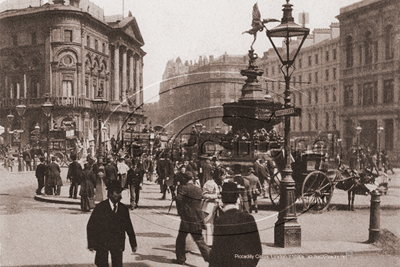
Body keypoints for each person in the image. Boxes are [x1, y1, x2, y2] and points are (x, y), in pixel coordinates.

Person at [209, 182, 262, 267]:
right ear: (238, 198)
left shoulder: (220, 220)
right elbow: (257, 249)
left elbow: (217, 252)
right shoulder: (248, 218)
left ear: (222, 199)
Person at [87, 180, 137, 267]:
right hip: (102, 242)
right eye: (117, 193)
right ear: (110, 194)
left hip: (117, 242)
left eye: (120, 193)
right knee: (102, 263)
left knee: (117, 264)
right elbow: (91, 225)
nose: (119, 195)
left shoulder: (123, 209)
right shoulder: (100, 207)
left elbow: (129, 227)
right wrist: (91, 243)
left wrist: (133, 244)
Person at [172, 171, 210, 265]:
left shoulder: (183, 188)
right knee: (200, 240)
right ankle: (211, 259)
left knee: (181, 238)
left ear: (184, 178)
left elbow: (179, 200)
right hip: (197, 216)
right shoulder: (198, 189)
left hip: (187, 218)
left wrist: (175, 196)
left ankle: (180, 258)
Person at [202, 178, 220, 246]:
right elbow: (205, 194)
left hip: (216, 205)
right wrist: (216, 196)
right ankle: (208, 242)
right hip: (209, 205)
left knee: (212, 224)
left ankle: (211, 241)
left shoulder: (217, 182)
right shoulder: (209, 183)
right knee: (208, 223)